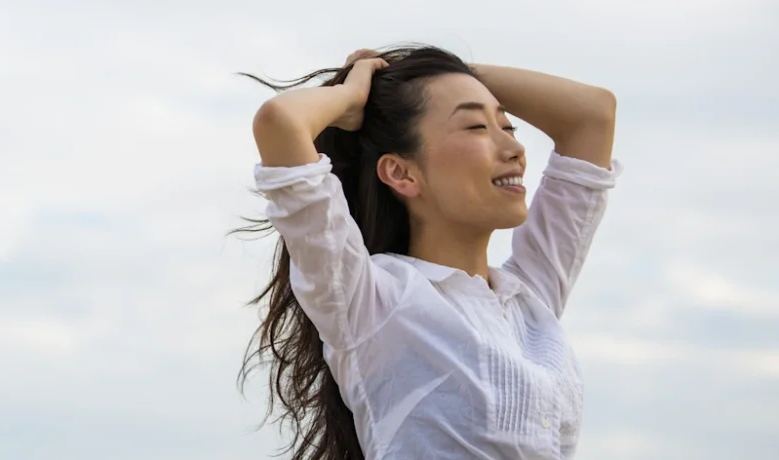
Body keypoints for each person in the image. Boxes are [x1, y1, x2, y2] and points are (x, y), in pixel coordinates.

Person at [237, 45, 620, 460]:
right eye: (476, 127)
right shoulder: (374, 300)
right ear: (401, 172)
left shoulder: (530, 300)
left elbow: (593, 114)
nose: (515, 149)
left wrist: (431, 72)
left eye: (508, 127)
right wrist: (354, 96)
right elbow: (281, 122)